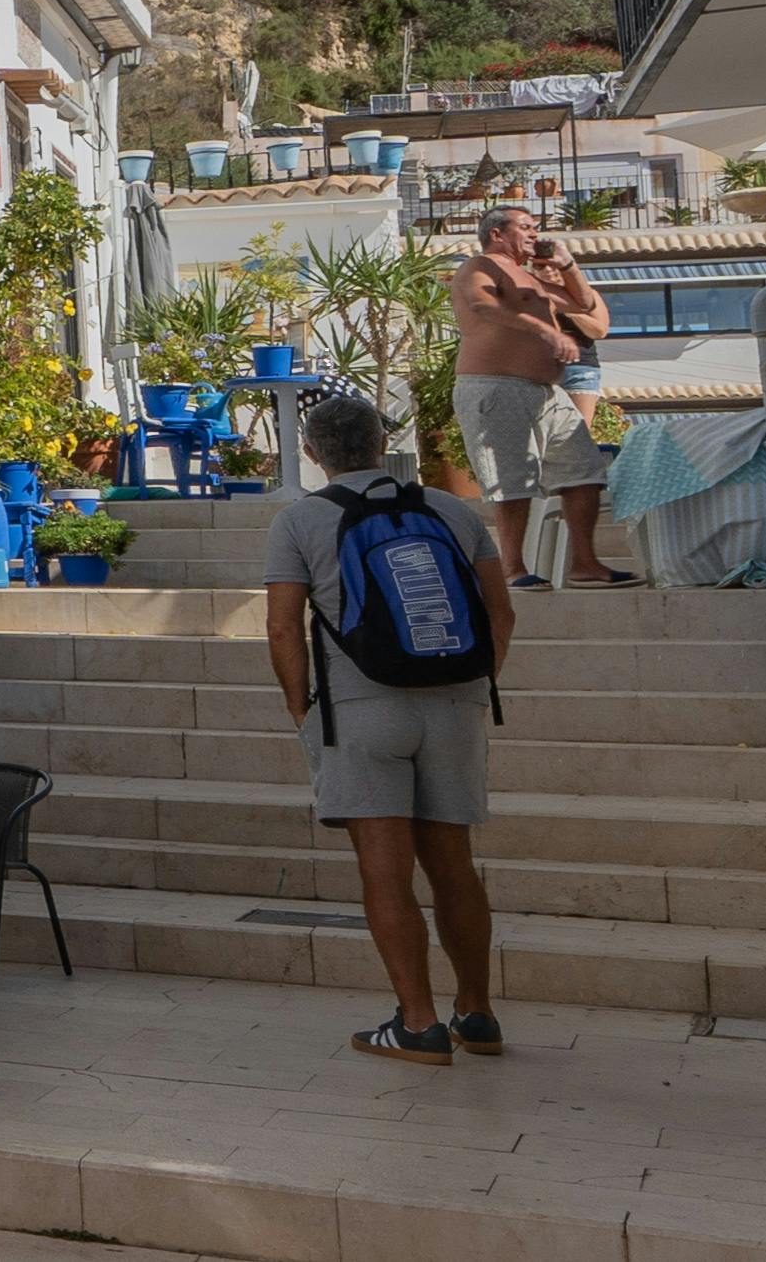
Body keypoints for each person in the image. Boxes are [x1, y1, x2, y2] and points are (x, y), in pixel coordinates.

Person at [264, 383, 518, 1063]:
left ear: (312, 452)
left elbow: (282, 627)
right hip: (454, 702)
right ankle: (477, 1012)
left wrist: (302, 710)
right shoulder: (451, 509)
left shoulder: (298, 521)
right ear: (384, 443)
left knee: (385, 870)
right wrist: (467, 682)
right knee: (454, 868)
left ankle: (417, 1021)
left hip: (358, 707)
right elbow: (501, 611)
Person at [450, 204, 618, 583]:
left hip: (546, 392)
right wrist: (544, 331)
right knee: (513, 480)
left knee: (584, 471)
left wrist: (568, 265)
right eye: (525, 227)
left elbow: (587, 308)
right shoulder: (478, 267)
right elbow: (483, 306)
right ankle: (513, 568)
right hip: (495, 385)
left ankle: (584, 563)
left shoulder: (531, 279)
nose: (534, 234)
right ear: (497, 234)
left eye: (536, 227)